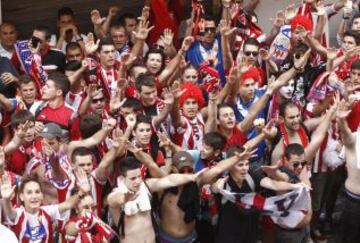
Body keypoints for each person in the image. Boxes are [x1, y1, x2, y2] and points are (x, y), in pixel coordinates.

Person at [107, 156, 205, 243]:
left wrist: (191, 177)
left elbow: (169, 180)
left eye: (139, 176)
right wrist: (126, 198)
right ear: (122, 179)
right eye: (133, 178)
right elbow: (115, 200)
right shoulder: (114, 195)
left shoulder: (146, 186)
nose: (138, 181)